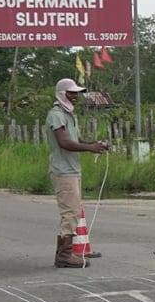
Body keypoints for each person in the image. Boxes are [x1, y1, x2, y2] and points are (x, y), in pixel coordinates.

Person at [45, 78, 109, 268]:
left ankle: (63, 254)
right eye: (71, 93)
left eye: (76, 93)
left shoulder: (69, 115)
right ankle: (65, 255)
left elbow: (76, 139)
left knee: (73, 211)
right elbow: (64, 143)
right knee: (70, 212)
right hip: (63, 170)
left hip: (72, 169)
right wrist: (89, 149)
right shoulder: (56, 115)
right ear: (61, 93)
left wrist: (94, 144)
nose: (75, 96)